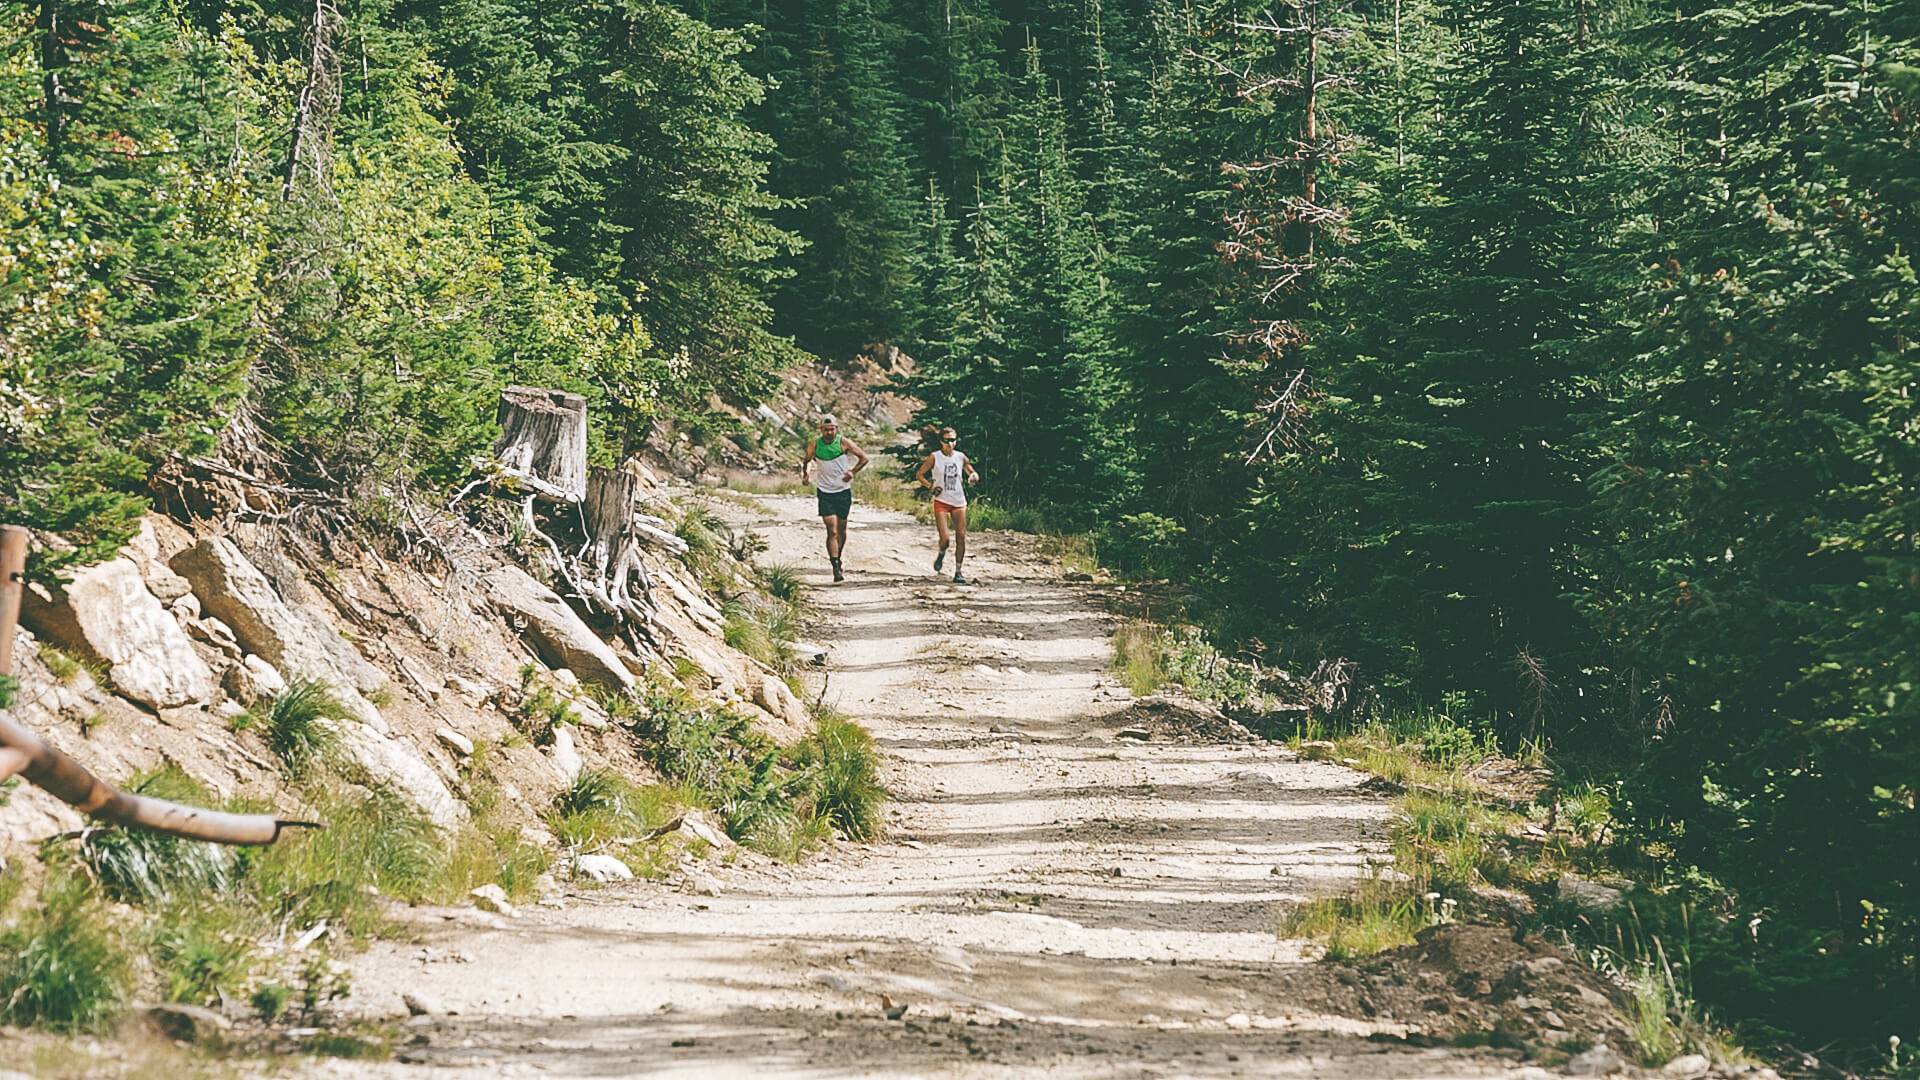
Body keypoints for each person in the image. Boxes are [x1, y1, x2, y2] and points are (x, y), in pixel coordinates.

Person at [801, 415, 868, 582]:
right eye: (826, 429)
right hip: (824, 492)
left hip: (843, 491)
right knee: (832, 530)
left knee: (842, 530)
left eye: (832, 429)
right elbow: (807, 460)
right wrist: (806, 474)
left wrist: (852, 472)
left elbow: (864, 458)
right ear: (821, 430)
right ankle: (835, 567)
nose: (829, 432)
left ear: (836, 429)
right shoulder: (815, 444)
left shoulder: (843, 442)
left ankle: (839, 556)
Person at [914, 426, 980, 584]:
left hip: (959, 501)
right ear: (941, 441)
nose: (950, 443)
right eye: (947, 440)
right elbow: (919, 474)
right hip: (942, 501)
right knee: (945, 539)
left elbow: (971, 471)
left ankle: (958, 571)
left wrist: (973, 476)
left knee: (961, 536)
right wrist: (930, 486)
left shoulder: (960, 456)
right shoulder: (934, 457)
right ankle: (942, 552)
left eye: (953, 440)